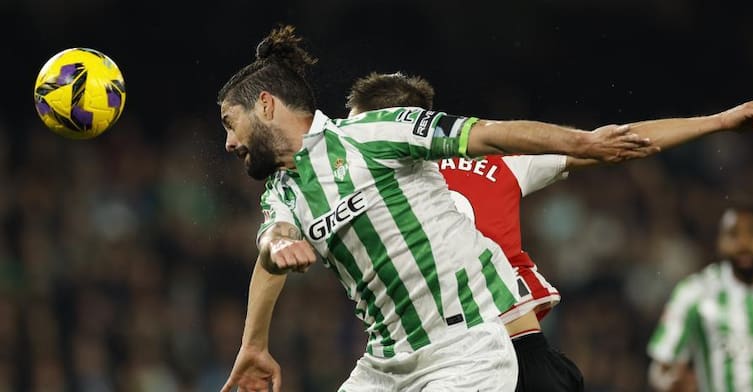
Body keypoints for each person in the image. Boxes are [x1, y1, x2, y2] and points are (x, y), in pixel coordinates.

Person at [217, 25, 661, 392]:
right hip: (386, 365)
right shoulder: (284, 188)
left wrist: (584, 142)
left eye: (230, 123)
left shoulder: (374, 134)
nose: (229, 142)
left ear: (265, 105)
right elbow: (273, 240)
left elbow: (491, 135)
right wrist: (254, 342)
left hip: (463, 349)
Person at [346, 72, 753, 391]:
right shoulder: (498, 157)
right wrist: (718, 122)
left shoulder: (356, 188)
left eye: (353, 126)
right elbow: (620, 143)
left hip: (454, 359)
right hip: (516, 351)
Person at [648, 206, 753, 391]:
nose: (743, 243)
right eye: (733, 234)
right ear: (719, 241)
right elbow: (661, 366)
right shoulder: (695, 293)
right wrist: (669, 383)